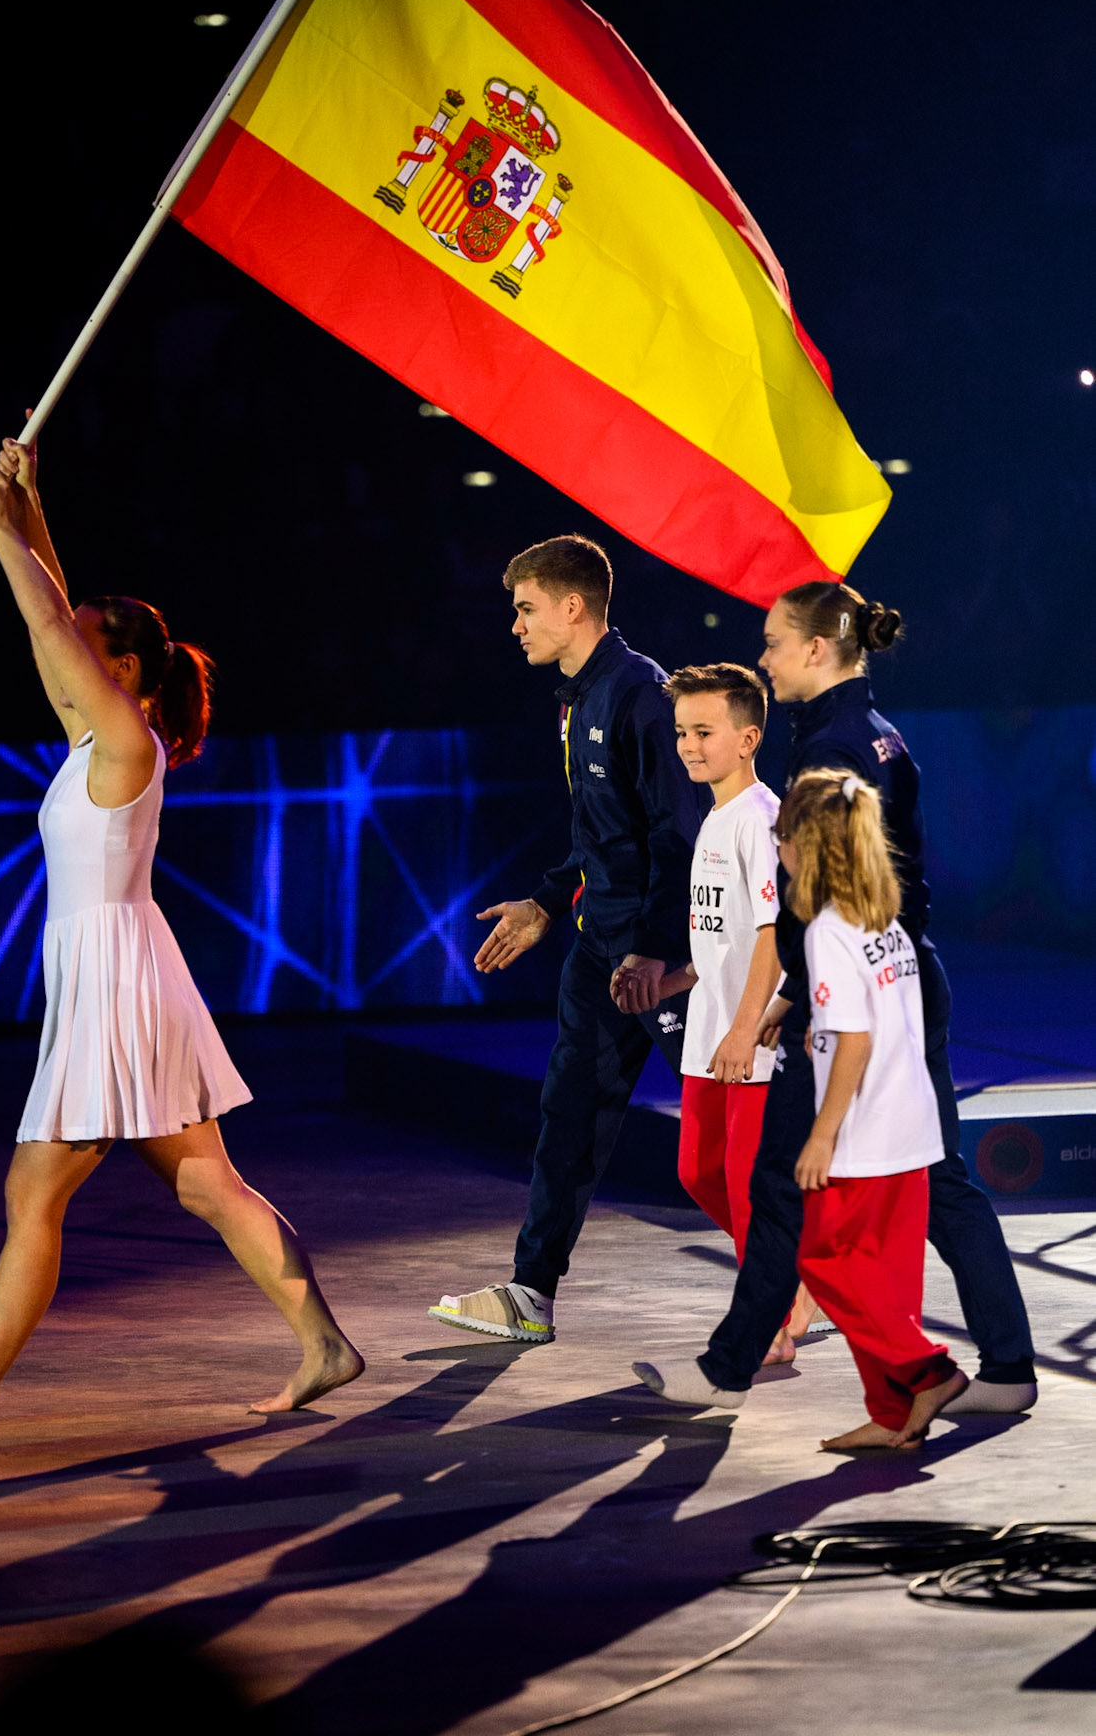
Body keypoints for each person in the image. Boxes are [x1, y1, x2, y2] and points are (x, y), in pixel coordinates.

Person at [0, 434, 362, 1427]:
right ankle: (325, 1341)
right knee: (206, 1184)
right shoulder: (99, 733)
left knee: (33, 1190)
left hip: (114, 981)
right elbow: (55, 617)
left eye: (87, 639)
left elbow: (45, 618)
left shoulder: (124, 738)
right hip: (123, 970)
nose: (61, 650)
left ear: (123, 666)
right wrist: (26, 506)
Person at [635, 582, 1034, 1412]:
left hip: (854, 987)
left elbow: (821, 896)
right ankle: (1001, 1368)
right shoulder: (873, 733)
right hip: (894, 974)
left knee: (785, 1187)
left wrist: (787, 1005)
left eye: (775, 642)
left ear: (817, 650)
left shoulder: (834, 749)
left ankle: (750, 1365)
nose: (765, 657)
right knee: (933, 1180)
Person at [429, 535, 703, 1343]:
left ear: (572, 606)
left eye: (525, 608)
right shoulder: (577, 696)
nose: (515, 626)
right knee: (569, 1113)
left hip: (667, 959)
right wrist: (550, 902)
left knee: (732, 1134)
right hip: (600, 951)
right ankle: (531, 1293)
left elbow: (677, 836)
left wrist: (655, 952)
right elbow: (601, 834)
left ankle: (812, 1277)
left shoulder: (641, 695)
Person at [781, 769, 967, 1449]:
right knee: (888, 1284)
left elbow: (856, 1039)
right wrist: (819, 1032)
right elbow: (877, 1017)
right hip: (910, 1123)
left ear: (806, 844)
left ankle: (930, 1371)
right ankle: (892, 1416)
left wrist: (821, 1137)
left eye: (783, 839)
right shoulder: (882, 917)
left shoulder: (828, 929)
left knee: (818, 1258)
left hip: (864, 1132)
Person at [664, 665, 783, 1267]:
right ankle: (786, 1276)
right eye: (683, 731)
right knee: (697, 1171)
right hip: (708, 1030)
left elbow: (776, 931)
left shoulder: (761, 819)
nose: (689, 744)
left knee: (746, 1184)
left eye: (704, 731)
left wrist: (745, 1028)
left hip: (754, 1037)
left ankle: (773, 1302)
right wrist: (676, 978)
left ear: (748, 739)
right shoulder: (715, 817)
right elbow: (723, 930)